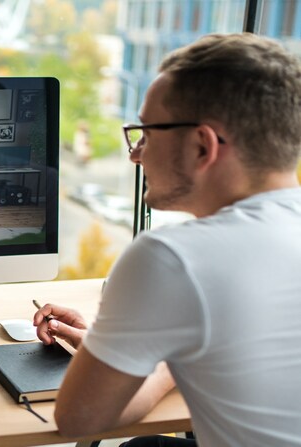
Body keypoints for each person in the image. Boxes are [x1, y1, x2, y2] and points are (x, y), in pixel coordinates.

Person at [33, 33, 301, 446]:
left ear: (201, 146)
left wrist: (158, 355)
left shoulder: (173, 257)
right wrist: (140, 343)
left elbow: (79, 420)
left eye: (147, 134)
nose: (135, 154)